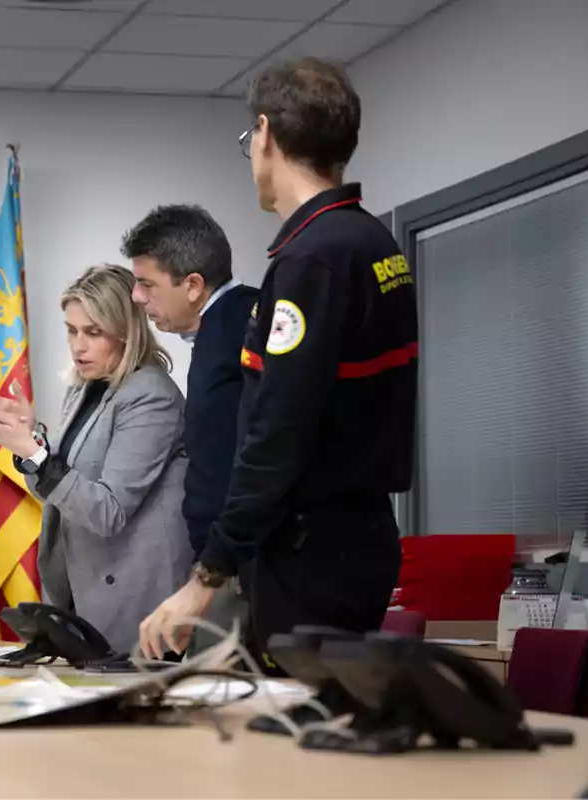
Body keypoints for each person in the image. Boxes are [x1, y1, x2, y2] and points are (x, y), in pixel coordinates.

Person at [139, 57, 418, 664]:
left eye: (249, 140)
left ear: (265, 135)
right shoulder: (370, 242)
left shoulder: (312, 260)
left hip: (311, 551)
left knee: (291, 741)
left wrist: (206, 575)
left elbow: (276, 432)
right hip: (353, 534)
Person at [0, 264, 192, 654]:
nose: (78, 346)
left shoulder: (150, 395)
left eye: (93, 332)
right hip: (82, 585)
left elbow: (107, 512)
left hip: (133, 597)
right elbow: (59, 492)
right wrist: (33, 437)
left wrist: (35, 452)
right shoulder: (86, 386)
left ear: (127, 331)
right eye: (72, 330)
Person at [124, 204, 259, 653]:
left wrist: (212, 569)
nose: (137, 298)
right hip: (227, 565)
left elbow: (242, 466)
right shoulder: (226, 327)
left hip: (240, 569)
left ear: (194, 285)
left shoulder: (233, 340)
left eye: (147, 284)